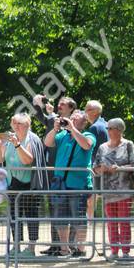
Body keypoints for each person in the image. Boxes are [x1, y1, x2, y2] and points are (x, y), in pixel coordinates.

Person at [44, 107, 96, 257]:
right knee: (60, 218)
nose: (72, 119)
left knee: (78, 217)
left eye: (76, 117)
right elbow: (47, 142)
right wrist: (54, 129)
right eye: (71, 117)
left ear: (84, 121)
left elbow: (86, 145)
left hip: (78, 184)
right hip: (60, 183)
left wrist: (72, 128)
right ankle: (64, 248)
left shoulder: (88, 134)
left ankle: (80, 249)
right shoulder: (62, 136)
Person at [0, 113, 45, 257]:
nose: (16, 126)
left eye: (19, 123)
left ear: (27, 125)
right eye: (14, 123)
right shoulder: (9, 139)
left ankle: (31, 249)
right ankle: (16, 246)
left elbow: (27, 160)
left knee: (31, 216)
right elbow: (0, 159)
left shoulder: (31, 139)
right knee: (14, 217)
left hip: (29, 185)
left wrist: (17, 145)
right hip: (12, 184)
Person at [94, 118, 134, 257]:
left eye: (110, 128)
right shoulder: (102, 147)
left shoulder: (128, 145)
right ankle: (114, 251)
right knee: (111, 222)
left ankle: (125, 251)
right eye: (107, 128)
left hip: (124, 190)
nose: (108, 131)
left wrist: (119, 168)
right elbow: (95, 167)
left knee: (124, 221)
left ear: (119, 130)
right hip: (108, 191)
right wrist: (100, 169)